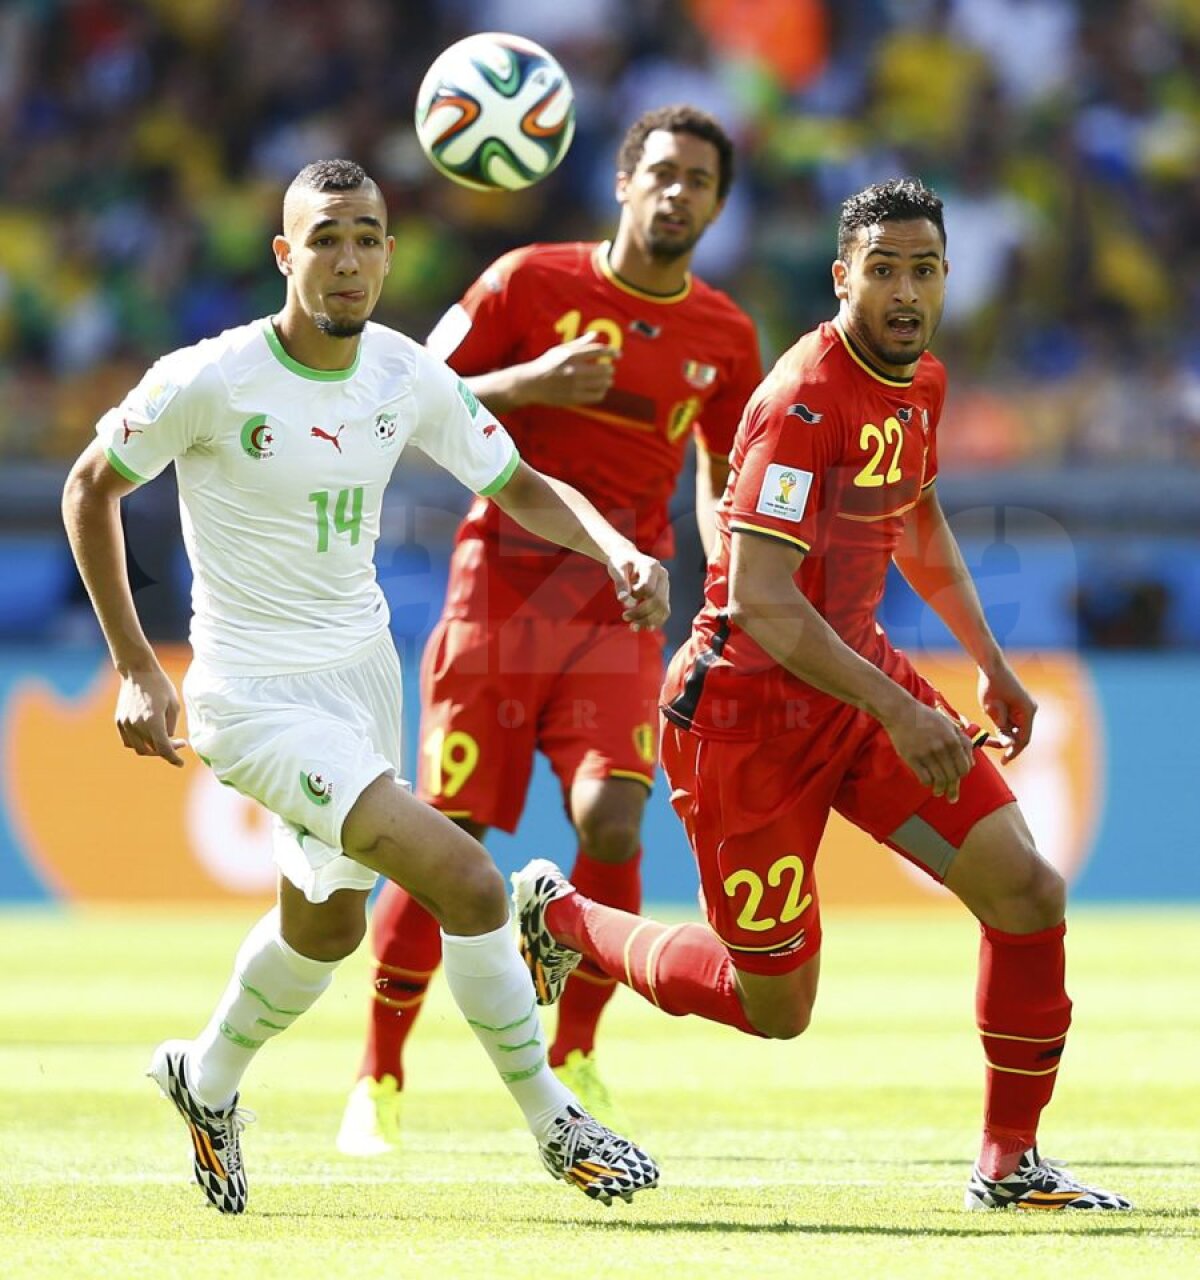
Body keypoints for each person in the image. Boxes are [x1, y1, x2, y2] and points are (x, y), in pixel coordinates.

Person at [509, 178, 1133, 1212]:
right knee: (777, 1006)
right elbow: (758, 598)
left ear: (945, 278)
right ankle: (568, 919)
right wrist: (902, 707)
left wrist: (988, 657)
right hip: (746, 720)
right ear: (841, 276)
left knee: (1026, 890)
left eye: (923, 269)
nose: (904, 290)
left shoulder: (921, 379)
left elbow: (917, 518)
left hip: (853, 680)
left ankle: (1009, 1161)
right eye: (882, 269)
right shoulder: (804, 397)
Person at [60, 159, 667, 1215]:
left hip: (361, 679)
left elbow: (516, 480)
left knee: (328, 930)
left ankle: (202, 1081)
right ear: (286, 254)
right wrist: (135, 664)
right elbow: (89, 485)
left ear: (390, 253)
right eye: (328, 237)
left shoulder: (401, 373)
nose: (350, 259)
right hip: (252, 692)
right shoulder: (212, 376)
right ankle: (553, 1122)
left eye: (369, 237)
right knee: (471, 881)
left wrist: (613, 544)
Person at [337, 106, 762, 1154]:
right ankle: (378, 1075)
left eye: (699, 180)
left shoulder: (725, 335)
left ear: (716, 203)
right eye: (661, 171)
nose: (678, 192)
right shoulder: (528, 282)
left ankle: (573, 1049)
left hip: (621, 599)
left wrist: (727, 571)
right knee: (454, 838)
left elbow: (726, 466)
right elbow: (400, 398)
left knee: (614, 819)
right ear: (624, 182)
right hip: (502, 591)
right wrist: (525, 384)